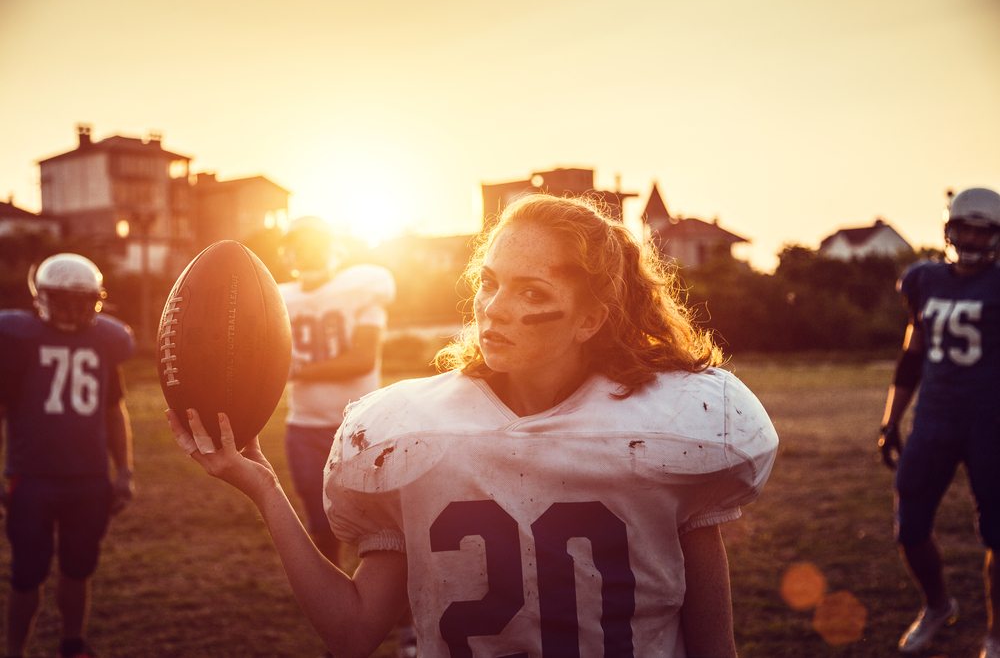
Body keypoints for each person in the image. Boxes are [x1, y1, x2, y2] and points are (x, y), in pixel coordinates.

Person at [168, 193, 778, 657]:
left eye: (529, 291)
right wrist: (264, 490)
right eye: (489, 283)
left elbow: (712, 646)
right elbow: (353, 631)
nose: (494, 308)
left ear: (591, 318)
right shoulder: (412, 430)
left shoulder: (674, 429)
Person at [879, 187, 1000, 658]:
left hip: (991, 423)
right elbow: (912, 354)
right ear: (949, 229)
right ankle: (937, 605)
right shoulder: (924, 279)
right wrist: (891, 420)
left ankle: (995, 634)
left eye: (981, 228)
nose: (970, 237)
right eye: (963, 227)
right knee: (910, 526)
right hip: (935, 420)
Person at [0, 253, 136, 658]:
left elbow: (114, 411)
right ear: (41, 297)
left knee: (79, 567)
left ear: (95, 300)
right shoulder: (18, 340)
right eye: (63, 299)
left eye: (82, 301)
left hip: (89, 478)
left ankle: (72, 643)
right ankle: (13, 651)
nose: (73, 309)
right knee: (27, 573)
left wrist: (124, 470)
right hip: (32, 477)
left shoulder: (106, 341)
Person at [276, 216, 396, 567]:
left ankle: (400, 614)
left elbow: (361, 360)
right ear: (288, 252)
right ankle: (338, 599)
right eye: (300, 245)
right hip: (303, 426)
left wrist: (297, 370)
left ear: (333, 249)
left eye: (315, 243)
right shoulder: (279, 297)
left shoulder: (363, 287)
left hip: (361, 426)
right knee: (321, 523)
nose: (308, 253)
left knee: (382, 529)